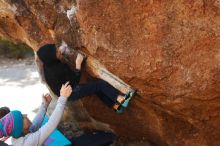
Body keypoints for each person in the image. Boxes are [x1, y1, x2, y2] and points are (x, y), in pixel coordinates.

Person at [36, 43, 135, 113]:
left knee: (95, 89)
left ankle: (115, 106)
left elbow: (55, 56)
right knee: (100, 85)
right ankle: (121, 99)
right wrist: (78, 64)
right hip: (71, 91)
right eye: (56, 51)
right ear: (52, 57)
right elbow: (75, 80)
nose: (58, 51)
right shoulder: (58, 69)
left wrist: (62, 50)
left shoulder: (48, 64)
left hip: (65, 93)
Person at [0, 82, 72, 146]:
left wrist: (44, 105)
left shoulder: (18, 135)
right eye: (22, 117)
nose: (26, 115)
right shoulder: (27, 143)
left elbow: (34, 126)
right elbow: (51, 125)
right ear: (20, 127)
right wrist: (62, 98)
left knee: (48, 139)